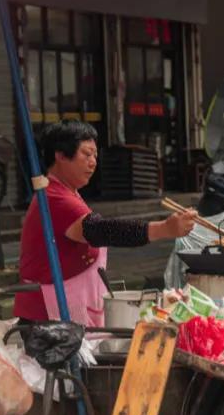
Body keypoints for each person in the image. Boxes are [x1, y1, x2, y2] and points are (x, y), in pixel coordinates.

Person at [14, 121, 197, 325]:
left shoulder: (68, 193)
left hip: (66, 312)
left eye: (95, 155)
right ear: (61, 155)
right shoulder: (54, 197)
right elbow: (99, 230)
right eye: (86, 154)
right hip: (46, 318)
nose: (93, 162)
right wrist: (163, 229)